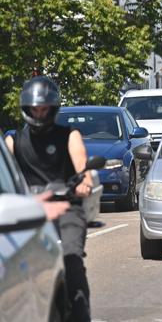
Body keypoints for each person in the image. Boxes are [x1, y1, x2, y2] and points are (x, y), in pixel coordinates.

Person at [5, 76, 94, 322]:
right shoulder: (14, 140)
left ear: (53, 108)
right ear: (27, 108)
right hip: (30, 212)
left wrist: (85, 183)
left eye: (44, 108)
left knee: (71, 259)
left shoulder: (69, 135)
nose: (40, 113)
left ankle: (80, 314)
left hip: (67, 208)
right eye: (36, 108)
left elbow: (83, 168)